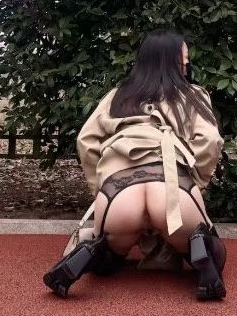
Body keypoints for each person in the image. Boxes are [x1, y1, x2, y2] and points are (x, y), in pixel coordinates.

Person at [43, 28, 227, 301]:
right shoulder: (193, 94)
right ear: (173, 63)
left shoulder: (118, 95)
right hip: (171, 189)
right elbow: (210, 140)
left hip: (119, 191)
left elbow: (86, 140)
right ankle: (199, 247)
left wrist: (101, 188)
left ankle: (93, 250)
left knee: (110, 255)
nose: (187, 65)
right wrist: (195, 181)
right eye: (184, 60)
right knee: (215, 250)